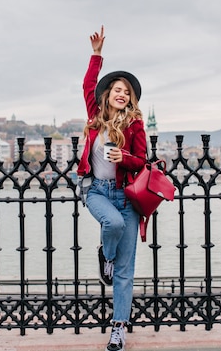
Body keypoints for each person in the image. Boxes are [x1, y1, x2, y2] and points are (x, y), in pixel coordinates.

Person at [77, 25, 147, 351]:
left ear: (130, 99)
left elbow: (143, 161)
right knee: (113, 225)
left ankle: (119, 328)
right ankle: (106, 254)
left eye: (126, 91)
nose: (121, 93)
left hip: (127, 196)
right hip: (98, 192)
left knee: (125, 271)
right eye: (117, 89)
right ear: (108, 95)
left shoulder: (135, 124)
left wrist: (125, 156)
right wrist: (96, 55)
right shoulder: (95, 117)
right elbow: (88, 85)